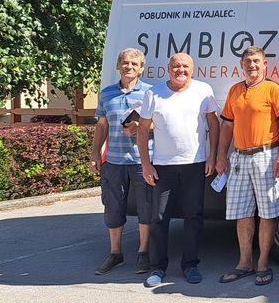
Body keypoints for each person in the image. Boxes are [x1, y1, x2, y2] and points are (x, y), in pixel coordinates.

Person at [137, 53, 219, 287]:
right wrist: (146, 164)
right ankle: (157, 268)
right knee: (159, 217)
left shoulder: (204, 90)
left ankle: (190, 265)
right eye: (176, 66)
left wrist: (212, 156)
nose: (180, 70)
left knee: (193, 216)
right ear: (168, 68)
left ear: (192, 69)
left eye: (185, 66)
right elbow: (142, 130)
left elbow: (214, 125)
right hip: (163, 166)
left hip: (195, 163)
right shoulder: (153, 94)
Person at [215, 47, 279, 287]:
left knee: (268, 212)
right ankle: (244, 263)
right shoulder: (235, 90)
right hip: (239, 158)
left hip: (266, 156)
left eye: (256, 61)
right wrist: (221, 156)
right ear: (241, 65)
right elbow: (227, 126)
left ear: (265, 64)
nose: (252, 65)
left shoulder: (272, 89)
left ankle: (263, 263)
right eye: (248, 61)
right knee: (242, 212)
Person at [89, 48, 152, 275]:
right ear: (118, 66)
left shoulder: (150, 93)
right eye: (125, 63)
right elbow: (102, 126)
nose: (129, 67)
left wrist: (140, 126)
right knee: (113, 207)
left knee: (146, 207)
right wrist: (94, 154)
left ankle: (143, 253)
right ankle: (115, 253)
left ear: (141, 69)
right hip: (114, 161)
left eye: (134, 64)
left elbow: (160, 124)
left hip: (142, 161)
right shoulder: (107, 94)